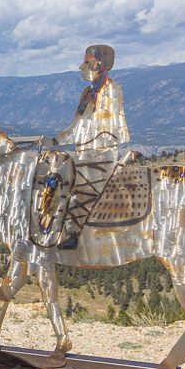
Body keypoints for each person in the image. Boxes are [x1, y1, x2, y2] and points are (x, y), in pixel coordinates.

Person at [50, 44, 129, 249]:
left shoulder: (111, 90)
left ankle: (74, 234)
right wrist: (55, 141)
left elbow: (106, 131)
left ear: (98, 64)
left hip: (99, 156)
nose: (81, 67)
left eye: (86, 63)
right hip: (86, 154)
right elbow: (77, 127)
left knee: (77, 190)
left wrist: (85, 152)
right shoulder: (88, 92)